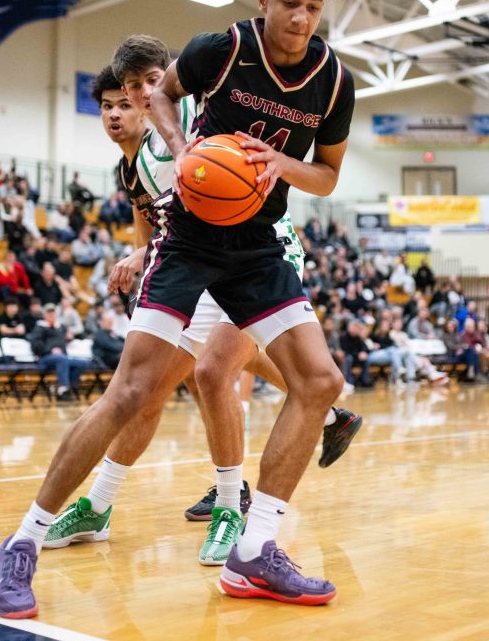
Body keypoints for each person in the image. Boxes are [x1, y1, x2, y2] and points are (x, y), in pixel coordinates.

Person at [0, 0, 359, 616]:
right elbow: (165, 96)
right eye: (288, 2)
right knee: (132, 392)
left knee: (321, 381)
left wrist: (281, 167)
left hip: (257, 243)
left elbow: (329, 176)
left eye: (313, 6)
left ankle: (255, 547)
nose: (300, 17)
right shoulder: (221, 48)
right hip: (188, 237)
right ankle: (22, 543)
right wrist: (188, 148)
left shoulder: (335, 82)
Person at [39, 57, 358, 560]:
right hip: (199, 261)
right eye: (116, 99)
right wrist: (142, 258)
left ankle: (233, 509)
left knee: (211, 372)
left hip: (258, 254)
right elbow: (158, 236)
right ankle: (98, 506)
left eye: (144, 87)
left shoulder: (194, 115)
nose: (129, 104)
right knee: (148, 390)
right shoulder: (137, 166)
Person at [29, 304, 91, 401]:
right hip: (45, 358)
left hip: (62, 358)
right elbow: (35, 345)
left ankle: (71, 386)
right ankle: (63, 389)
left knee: (82, 363)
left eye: (53, 312)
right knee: (62, 359)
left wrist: (70, 337)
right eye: (49, 312)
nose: (51, 314)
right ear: (44, 314)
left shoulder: (61, 327)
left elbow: (70, 335)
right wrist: (50, 350)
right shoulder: (39, 327)